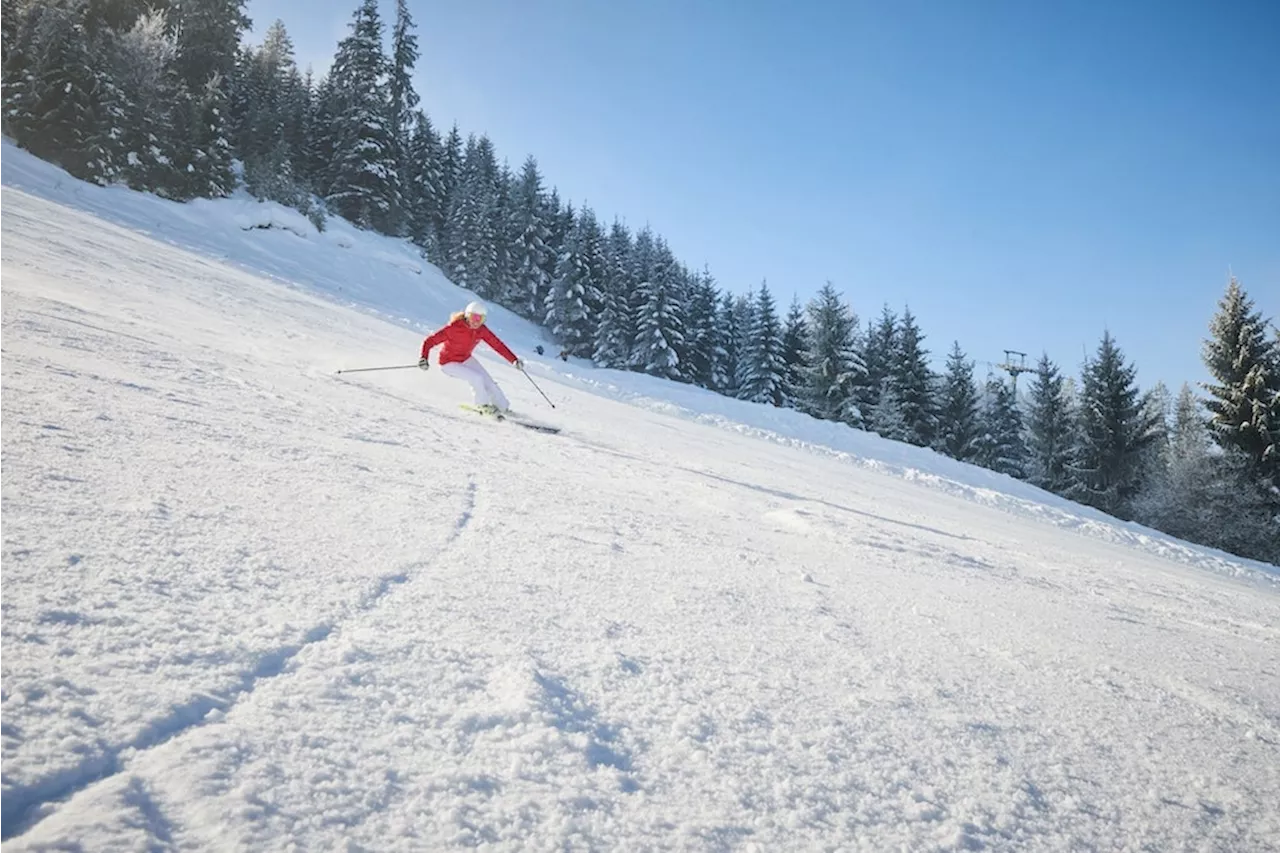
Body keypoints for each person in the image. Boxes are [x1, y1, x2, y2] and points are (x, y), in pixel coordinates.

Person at [419, 301, 523, 413]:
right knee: (476, 378)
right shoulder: (453, 328)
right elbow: (430, 341)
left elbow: (497, 345)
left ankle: (503, 407)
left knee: (488, 382)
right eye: (474, 317)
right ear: (467, 316)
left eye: (481, 319)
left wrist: (513, 359)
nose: (477, 322)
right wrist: (424, 357)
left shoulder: (481, 330)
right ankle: (482, 405)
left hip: (465, 359)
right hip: (448, 363)